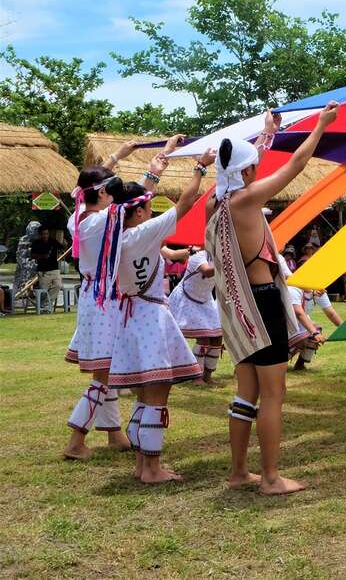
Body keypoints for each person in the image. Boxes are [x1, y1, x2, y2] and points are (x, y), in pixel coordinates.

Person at [205, 103, 338, 496]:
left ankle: (237, 472)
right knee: (274, 394)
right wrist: (320, 126)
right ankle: (271, 478)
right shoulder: (246, 200)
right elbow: (295, 165)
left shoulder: (217, 203)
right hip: (263, 305)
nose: (257, 171)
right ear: (246, 173)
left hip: (238, 308)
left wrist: (268, 133)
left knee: (246, 392)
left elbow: (246, 167)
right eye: (253, 167)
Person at [100, 149, 215, 483]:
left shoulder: (115, 235)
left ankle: (142, 465)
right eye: (148, 208)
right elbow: (187, 201)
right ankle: (151, 468)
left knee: (143, 397)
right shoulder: (141, 234)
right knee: (156, 396)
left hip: (132, 316)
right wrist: (199, 167)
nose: (153, 213)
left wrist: (154, 171)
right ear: (137, 214)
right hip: (150, 315)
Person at [62, 137, 178, 461]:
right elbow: (133, 199)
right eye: (109, 190)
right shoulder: (101, 221)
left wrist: (117, 156)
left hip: (92, 295)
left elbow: (82, 188)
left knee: (108, 371)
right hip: (105, 298)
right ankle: (75, 440)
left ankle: (114, 435)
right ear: (102, 194)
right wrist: (155, 169)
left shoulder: (78, 216)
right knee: (102, 377)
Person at [167, 247, 223, 386]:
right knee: (203, 337)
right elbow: (208, 272)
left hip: (205, 299)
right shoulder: (198, 257)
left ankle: (207, 375)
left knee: (217, 337)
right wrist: (228, 262)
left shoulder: (220, 259)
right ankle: (196, 376)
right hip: (187, 299)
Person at [30, 227, 63, 312]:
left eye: (47, 233)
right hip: (43, 271)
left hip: (54, 269)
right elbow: (32, 255)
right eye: (43, 234)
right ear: (40, 235)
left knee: (58, 285)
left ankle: (47, 304)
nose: (45, 235)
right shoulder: (36, 243)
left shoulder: (53, 241)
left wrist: (65, 244)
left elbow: (62, 248)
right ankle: (45, 305)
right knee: (44, 291)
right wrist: (42, 256)